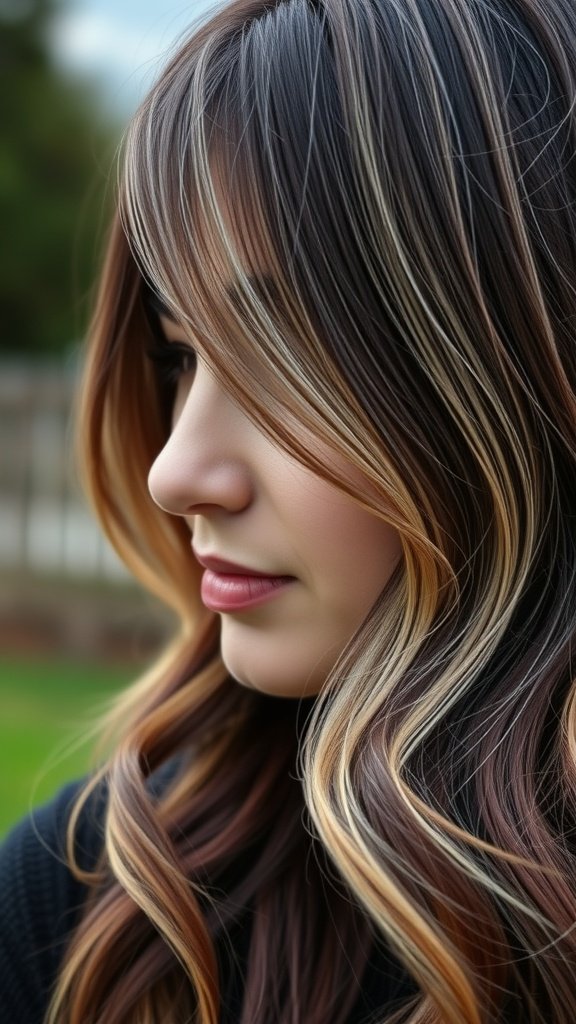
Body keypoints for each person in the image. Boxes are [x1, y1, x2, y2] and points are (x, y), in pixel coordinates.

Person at [2, 0, 576, 1020]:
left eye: (283, 364)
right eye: (179, 357)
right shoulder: (88, 906)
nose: (174, 474)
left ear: (515, 379)